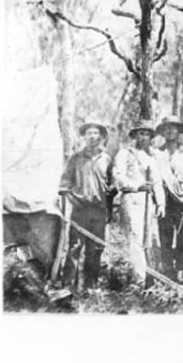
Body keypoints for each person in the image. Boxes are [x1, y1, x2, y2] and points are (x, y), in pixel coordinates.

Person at [58, 120, 113, 289]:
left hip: (99, 211)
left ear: (101, 137)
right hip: (80, 210)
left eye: (96, 133)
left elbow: (112, 186)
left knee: (95, 249)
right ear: (84, 136)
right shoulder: (76, 158)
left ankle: (90, 287)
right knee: (74, 248)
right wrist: (73, 200)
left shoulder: (107, 159)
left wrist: (109, 205)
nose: (93, 137)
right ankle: (69, 287)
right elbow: (64, 184)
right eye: (89, 133)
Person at [112, 120, 165, 285]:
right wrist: (136, 186)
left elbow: (157, 182)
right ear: (134, 135)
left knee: (149, 239)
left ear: (151, 137)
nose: (143, 137)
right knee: (135, 238)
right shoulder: (125, 154)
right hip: (131, 198)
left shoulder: (151, 157)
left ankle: (152, 277)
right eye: (140, 133)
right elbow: (118, 176)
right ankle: (138, 280)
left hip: (147, 201)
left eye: (147, 134)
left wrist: (161, 203)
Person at [154, 115, 183, 281]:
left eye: (173, 128)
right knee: (166, 237)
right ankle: (169, 271)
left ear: (179, 131)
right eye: (167, 128)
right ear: (162, 132)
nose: (170, 131)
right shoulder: (158, 154)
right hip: (165, 200)